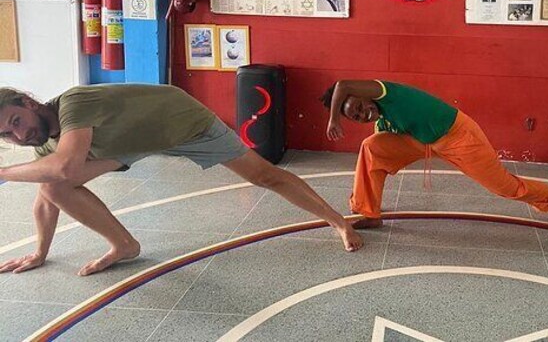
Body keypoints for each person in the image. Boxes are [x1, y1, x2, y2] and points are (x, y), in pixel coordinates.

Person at [0, 85, 363, 276]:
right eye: (7, 136)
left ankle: (338, 222)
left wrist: (2, 173)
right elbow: (47, 195)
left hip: (182, 123)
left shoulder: (73, 103)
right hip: (133, 144)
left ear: (28, 102)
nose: (19, 136)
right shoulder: (46, 141)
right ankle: (124, 245)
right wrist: (40, 252)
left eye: (15, 122)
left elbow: (65, 167)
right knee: (52, 184)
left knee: (263, 176)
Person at [322, 80, 548, 230]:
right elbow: (386, 139)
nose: (362, 113)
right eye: (355, 116)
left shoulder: (385, 92)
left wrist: (335, 120)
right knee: (372, 147)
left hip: (458, 136)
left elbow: (343, 84)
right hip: (421, 139)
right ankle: (369, 212)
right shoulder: (382, 120)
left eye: (359, 106)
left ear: (363, 95)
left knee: (505, 187)